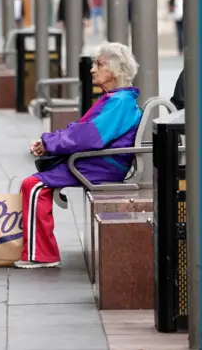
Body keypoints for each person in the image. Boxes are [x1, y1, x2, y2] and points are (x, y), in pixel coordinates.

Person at [15, 42, 142, 269]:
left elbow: (88, 136)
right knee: (35, 184)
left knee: (33, 186)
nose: (92, 69)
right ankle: (40, 251)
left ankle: (41, 255)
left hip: (101, 164)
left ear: (115, 70)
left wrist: (50, 143)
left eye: (99, 64)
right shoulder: (117, 99)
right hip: (100, 160)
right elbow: (83, 132)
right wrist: (49, 142)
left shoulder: (118, 103)